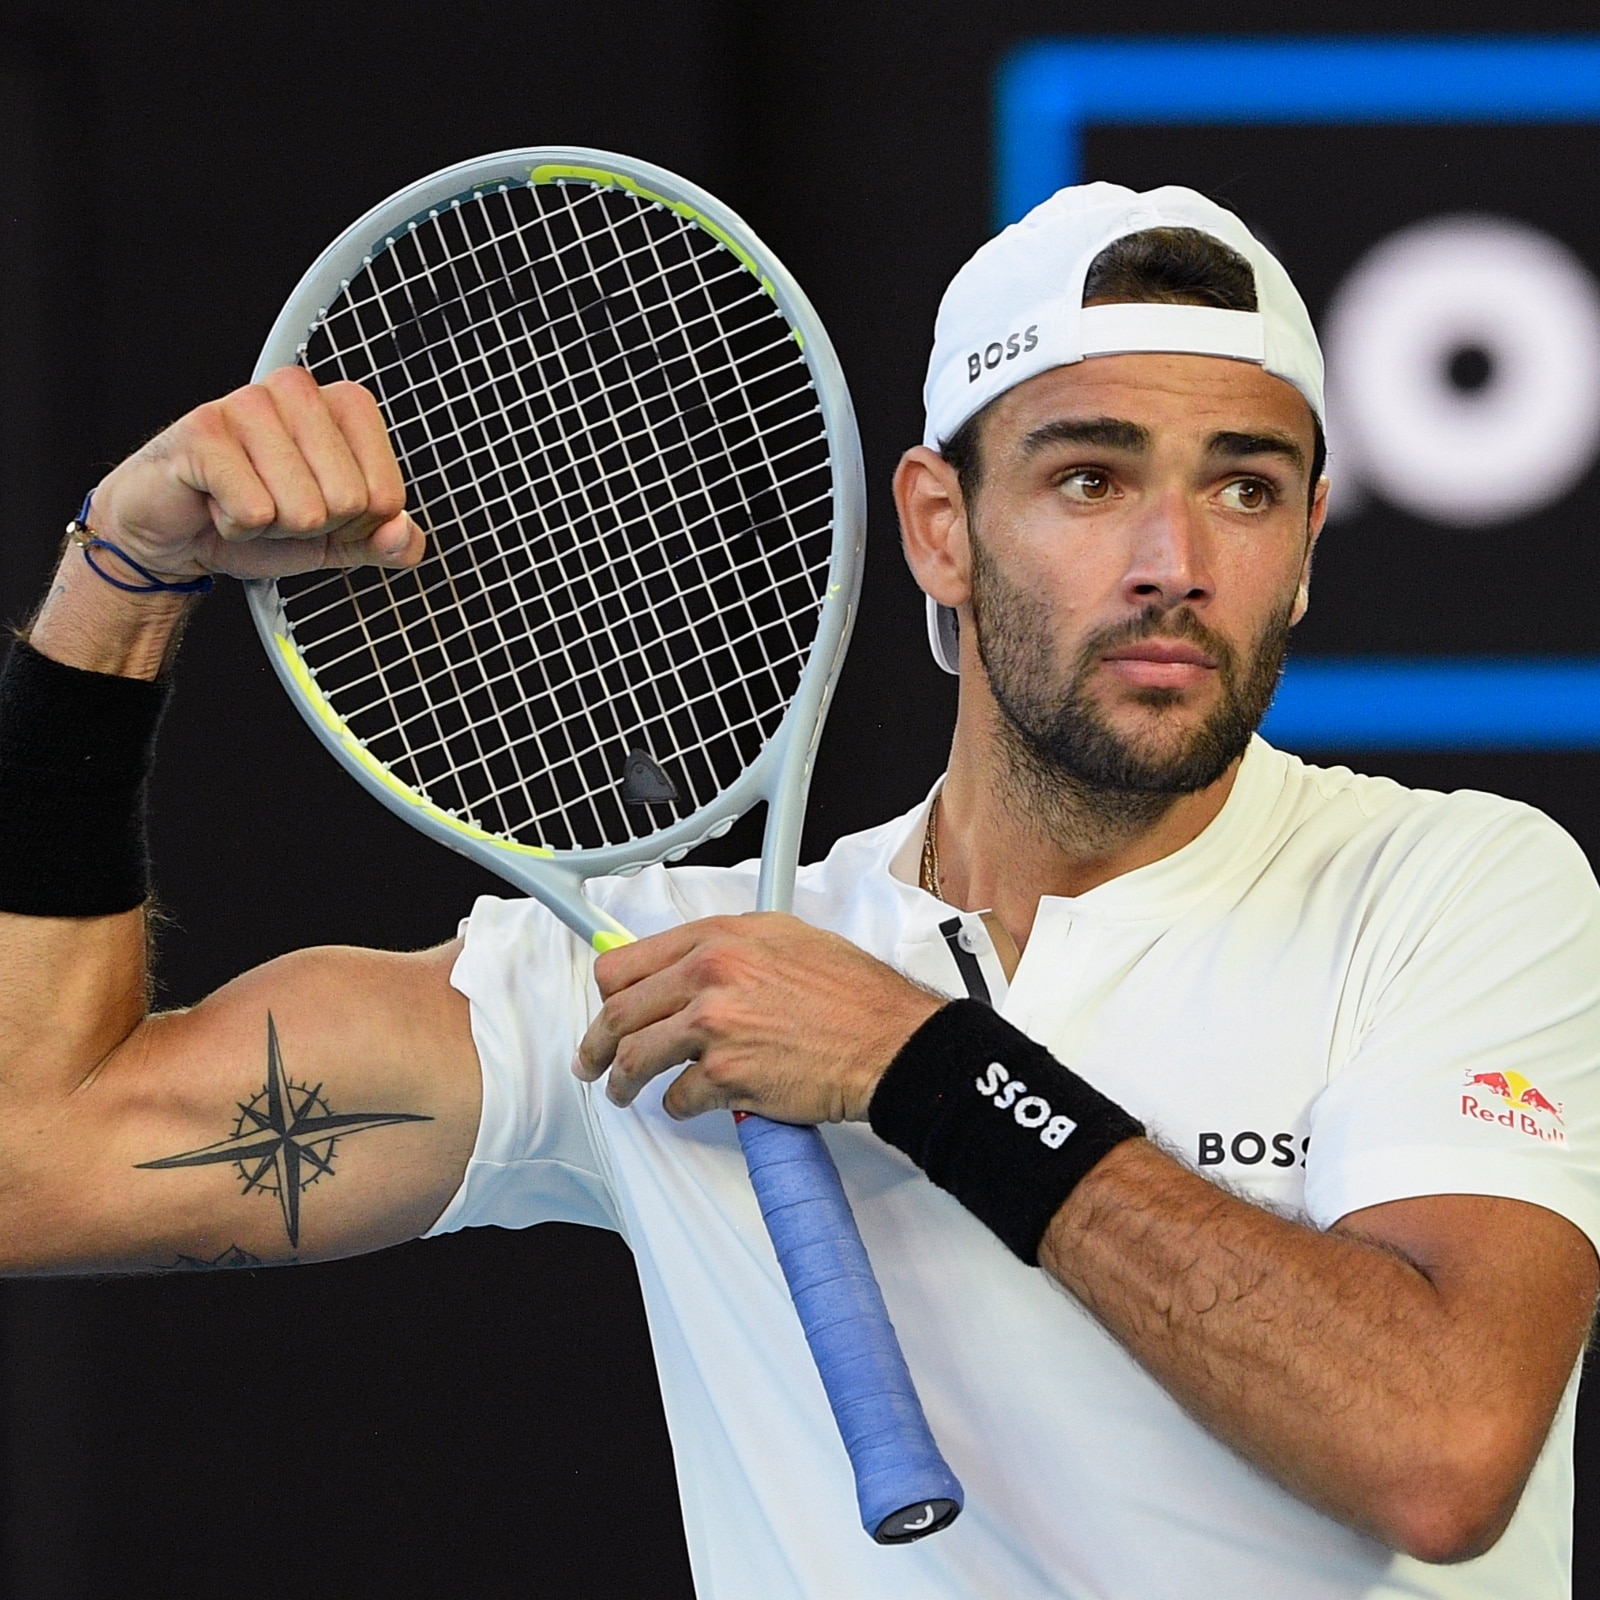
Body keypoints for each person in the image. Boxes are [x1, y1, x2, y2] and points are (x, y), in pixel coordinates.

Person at [0, 181, 1595, 1600]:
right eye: (1091, 480)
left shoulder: (1454, 888)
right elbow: (38, 1162)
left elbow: (1439, 1449)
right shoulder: (646, 974)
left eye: (1245, 487)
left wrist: (921, 1068)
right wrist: (114, 586)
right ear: (939, 526)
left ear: (1310, 540)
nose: (1174, 557)